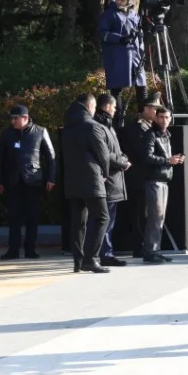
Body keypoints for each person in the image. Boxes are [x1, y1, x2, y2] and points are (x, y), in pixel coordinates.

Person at [0, 104, 56, 260]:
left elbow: (50, 157)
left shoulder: (40, 131)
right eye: (11, 118)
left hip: (33, 181)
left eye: (15, 118)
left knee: (32, 216)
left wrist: (51, 178)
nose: (12, 121)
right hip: (13, 181)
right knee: (14, 216)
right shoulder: (7, 134)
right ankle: (13, 250)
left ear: (25, 118)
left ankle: (30, 249)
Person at [62, 94, 112, 273]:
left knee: (78, 222)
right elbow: (103, 154)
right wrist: (105, 174)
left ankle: (78, 260)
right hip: (91, 179)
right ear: (90, 106)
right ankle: (91, 258)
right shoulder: (92, 126)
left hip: (72, 180)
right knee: (102, 217)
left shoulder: (67, 127)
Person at [89, 94, 130, 266]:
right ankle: (103, 253)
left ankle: (104, 252)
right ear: (106, 106)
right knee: (104, 219)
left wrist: (123, 157)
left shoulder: (108, 126)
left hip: (113, 179)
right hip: (108, 180)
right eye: (113, 107)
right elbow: (105, 153)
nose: (115, 110)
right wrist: (122, 162)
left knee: (107, 220)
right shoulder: (99, 126)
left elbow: (115, 150)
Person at [98, 0, 147, 123]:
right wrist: (119, 38)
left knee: (141, 87)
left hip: (136, 56)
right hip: (117, 57)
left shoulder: (134, 15)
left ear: (128, 1)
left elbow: (140, 37)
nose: (119, 2)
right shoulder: (109, 14)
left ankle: (144, 119)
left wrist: (142, 54)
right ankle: (119, 121)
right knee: (117, 89)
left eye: (122, 0)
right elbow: (102, 33)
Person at [142, 106, 184, 263]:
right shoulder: (151, 135)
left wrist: (175, 159)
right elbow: (147, 157)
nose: (165, 120)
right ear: (156, 118)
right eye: (161, 117)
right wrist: (168, 160)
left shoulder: (166, 135)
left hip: (164, 180)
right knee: (155, 217)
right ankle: (150, 252)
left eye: (167, 117)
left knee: (159, 218)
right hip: (154, 181)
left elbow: (163, 157)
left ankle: (155, 250)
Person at [123, 94, 162, 258]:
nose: (155, 112)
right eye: (154, 109)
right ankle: (138, 246)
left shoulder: (152, 127)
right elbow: (140, 153)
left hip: (148, 177)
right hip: (138, 177)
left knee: (148, 213)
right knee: (139, 213)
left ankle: (148, 246)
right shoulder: (137, 127)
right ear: (145, 109)